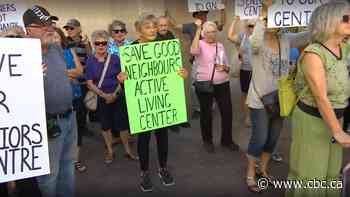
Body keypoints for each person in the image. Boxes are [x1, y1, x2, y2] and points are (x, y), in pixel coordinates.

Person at [117, 14, 188, 192]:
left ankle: (163, 168)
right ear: (139, 30)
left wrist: (182, 74)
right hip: (143, 103)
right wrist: (122, 79)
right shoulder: (131, 50)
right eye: (148, 27)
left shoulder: (165, 47)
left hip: (161, 101)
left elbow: (174, 72)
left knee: (163, 135)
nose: (153, 30)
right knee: (144, 138)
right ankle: (144, 172)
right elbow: (126, 79)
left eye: (154, 26)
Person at [286, 2, 350, 197]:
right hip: (313, 121)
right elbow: (321, 98)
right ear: (328, 21)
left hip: (335, 118)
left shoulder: (343, 47)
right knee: (312, 175)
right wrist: (337, 131)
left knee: (331, 174)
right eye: (346, 18)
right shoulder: (314, 54)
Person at [245, 3, 309, 193]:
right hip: (259, 100)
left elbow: (307, 35)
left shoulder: (286, 38)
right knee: (260, 137)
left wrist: (317, 17)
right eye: (270, 19)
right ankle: (250, 172)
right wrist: (262, 18)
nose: (274, 23)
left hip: (281, 99)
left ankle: (263, 169)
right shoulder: (257, 40)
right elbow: (254, 42)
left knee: (273, 139)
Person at [23, 5, 77, 197]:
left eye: (50, 23)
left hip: (70, 117)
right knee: (49, 175)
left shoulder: (56, 49)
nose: (49, 28)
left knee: (68, 166)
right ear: (29, 30)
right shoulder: (19, 55)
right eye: (42, 24)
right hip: (47, 124)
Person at [85, 30, 138, 164]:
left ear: (108, 44)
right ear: (93, 44)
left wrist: (114, 94)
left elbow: (123, 78)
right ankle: (110, 151)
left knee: (123, 125)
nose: (101, 46)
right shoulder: (90, 61)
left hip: (118, 96)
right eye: (98, 43)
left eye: (104, 43)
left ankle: (128, 150)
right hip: (101, 98)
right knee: (105, 126)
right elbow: (89, 83)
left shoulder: (115, 59)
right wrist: (104, 95)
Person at [168, 7, 226, 120]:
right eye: (200, 15)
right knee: (194, 86)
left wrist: (222, 10)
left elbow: (222, 24)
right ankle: (197, 108)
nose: (203, 16)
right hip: (196, 61)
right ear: (195, 16)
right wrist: (167, 17)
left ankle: (211, 106)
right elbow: (176, 26)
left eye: (204, 14)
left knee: (213, 83)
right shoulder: (191, 26)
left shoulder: (211, 24)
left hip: (211, 60)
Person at [191, 20, 238, 153]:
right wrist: (198, 30)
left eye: (214, 32)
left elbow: (228, 67)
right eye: (208, 32)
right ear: (203, 34)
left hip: (223, 83)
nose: (211, 34)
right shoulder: (199, 43)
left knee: (227, 113)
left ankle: (226, 140)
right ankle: (207, 141)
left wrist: (225, 67)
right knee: (206, 114)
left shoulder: (220, 46)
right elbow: (193, 51)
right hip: (205, 84)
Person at [52, 27, 88, 172]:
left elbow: (80, 72)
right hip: (58, 100)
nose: (54, 40)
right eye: (51, 37)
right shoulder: (45, 55)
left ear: (62, 38)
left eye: (56, 37)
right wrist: (69, 74)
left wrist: (60, 73)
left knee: (77, 130)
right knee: (59, 132)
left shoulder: (70, 51)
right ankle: (61, 161)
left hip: (76, 97)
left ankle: (76, 159)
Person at [227, 16, 254, 127]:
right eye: (250, 25)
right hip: (246, 70)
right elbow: (229, 36)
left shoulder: (262, 36)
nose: (252, 28)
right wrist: (234, 20)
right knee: (246, 94)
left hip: (259, 70)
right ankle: (248, 117)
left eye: (254, 25)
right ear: (246, 26)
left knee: (260, 94)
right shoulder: (243, 36)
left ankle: (259, 116)